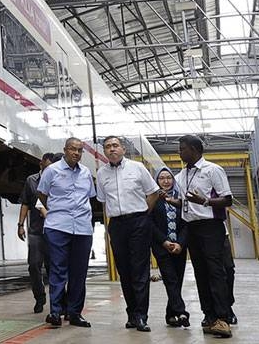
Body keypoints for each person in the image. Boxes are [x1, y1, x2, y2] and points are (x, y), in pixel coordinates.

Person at [95, 136, 160, 332]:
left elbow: (154, 192)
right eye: (107, 147)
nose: (111, 149)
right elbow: (103, 200)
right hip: (116, 225)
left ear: (123, 149)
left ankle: (141, 315)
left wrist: (143, 214)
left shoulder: (137, 168)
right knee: (124, 270)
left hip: (139, 221)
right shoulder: (101, 173)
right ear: (104, 151)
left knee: (139, 270)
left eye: (115, 146)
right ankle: (132, 314)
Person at [174, 135, 234, 338]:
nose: (179, 152)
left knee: (216, 271)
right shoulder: (181, 175)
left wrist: (206, 201)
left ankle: (223, 318)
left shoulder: (212, 170)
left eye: (182, 148)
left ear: (194, 149)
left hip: (211, 227)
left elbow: (227, 200)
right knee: (200, 273)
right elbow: (185, 203)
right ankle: (209, 316)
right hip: (191, 227)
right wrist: (172, 201)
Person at [37, 138, 97, 328]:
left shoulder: (86, 172)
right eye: (73, 149)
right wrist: (56, 211)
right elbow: (42, 194)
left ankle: (75, 313)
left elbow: (90, 197)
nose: (76, 153)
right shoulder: (51, 171)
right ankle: (55, 312)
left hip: (82, 228)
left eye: (80, 150)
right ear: (65, 150)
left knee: (79, 272)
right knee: (58, 270)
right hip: (57, 227)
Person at [150, 166, 189, 328]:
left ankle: (170, 314)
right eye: (161, 178)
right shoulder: (153, 198)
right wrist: (165, 242)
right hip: (161, 246)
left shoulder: (181, 198)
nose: (165, 181)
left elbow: (187, 221)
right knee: (170, 278)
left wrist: (180, 243)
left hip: (180, 246)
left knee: (177, 280)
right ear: (156, 181)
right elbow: (150, 224)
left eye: (168, 178)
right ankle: (181, 312)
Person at [17, 152, 56, 313]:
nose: (49, 171)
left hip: (54, 231)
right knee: (33, 266)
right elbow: (25, 203)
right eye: (46, 168)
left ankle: (57, 302)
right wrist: (20, 225)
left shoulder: (57, 180)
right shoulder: (31, 181)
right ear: (41, 165)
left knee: (53, 268)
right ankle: (39, 298)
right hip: (36, 231)